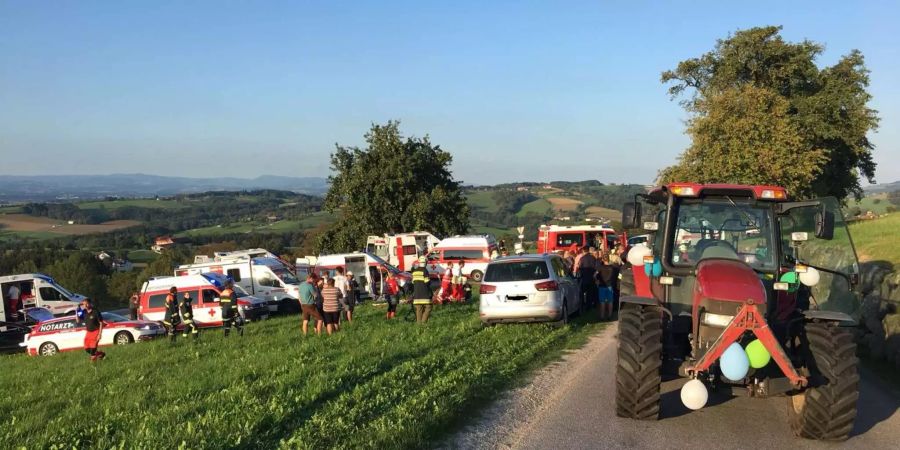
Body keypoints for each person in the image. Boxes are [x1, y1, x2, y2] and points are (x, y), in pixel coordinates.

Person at [411, 257, 432, 323]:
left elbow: (413, 282)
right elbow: (427, 282)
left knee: (419, 309)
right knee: (428, 307)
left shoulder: (414, 271)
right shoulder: (425, 271)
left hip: (417, 294)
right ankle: (423, 322)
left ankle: (419, 324)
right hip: (424, 293)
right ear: (425, 263)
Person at [596, 255, 616, 321]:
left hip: (602, 286)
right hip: (610, 286)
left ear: (603, 260)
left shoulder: (600, 268)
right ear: (608, 259)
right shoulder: (612, 268)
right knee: (610, 301)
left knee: (602, 302)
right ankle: (610, 316)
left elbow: (594, 275)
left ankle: (602, 316)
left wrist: (597, 280)